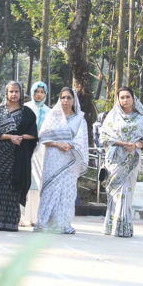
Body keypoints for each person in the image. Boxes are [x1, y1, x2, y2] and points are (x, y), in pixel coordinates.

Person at [34, 88, 88, 234]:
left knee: (67, 192)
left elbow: (82, 140)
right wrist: (58, 144)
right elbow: (43, 137)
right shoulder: (53, 116)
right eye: (63, 97)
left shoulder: (79, 119)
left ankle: (63, 225)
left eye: (69, 97)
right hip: (53, 157)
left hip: (71, 158)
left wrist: (70, 145)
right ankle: (44, 223)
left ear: (74, 100)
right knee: (49, 190)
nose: (65, 100)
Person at [100, 87, 143, 238]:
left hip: (132, 160)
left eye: (127, 97)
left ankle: (123, 227)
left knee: (126, 193)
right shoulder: (113, 117)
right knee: (114, 193)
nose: (125, 100)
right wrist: (122, 143)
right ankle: (111, 226)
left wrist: (135, 145)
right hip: (115, 160)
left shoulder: (142, 119)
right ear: (118, 100)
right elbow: (104, 137)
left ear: (133, 98)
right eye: (121, 97)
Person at [0, 81, 38, 231]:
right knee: (1, 187)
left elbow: (34, 134)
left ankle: (11, 222)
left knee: (15, 186)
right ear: (6, 93)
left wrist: (20, 137)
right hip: (2, 155)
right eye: (11, 91)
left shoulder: (27, 112)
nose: (14, 94)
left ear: (21, 93)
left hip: (19, 156)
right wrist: (10, 137)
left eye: (17, 91)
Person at [22, 81, 52, 226]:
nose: (39, 94)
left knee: (37, 184)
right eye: (36, 91)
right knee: (24, 182)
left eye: (42, 92)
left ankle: (35, 218)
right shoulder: (25, 108)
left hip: (41, 151)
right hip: (25, 148)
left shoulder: (49, 111)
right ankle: (21, 217)